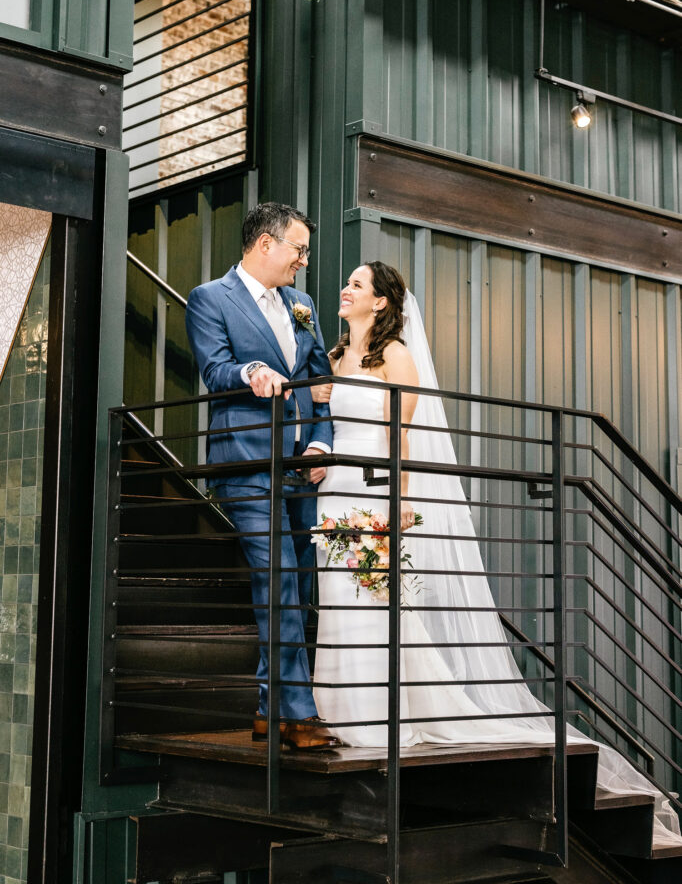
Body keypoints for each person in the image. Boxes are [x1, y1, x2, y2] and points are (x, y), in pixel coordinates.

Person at [311, 260, 680, 843]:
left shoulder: (397, 358)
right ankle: (336, 711)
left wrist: (400, 502)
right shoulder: (331, 362)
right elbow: (322, 423)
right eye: (347, 280)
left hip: (375, 491)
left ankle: (380, 715)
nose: (345, 288)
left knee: (373, 601)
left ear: (380, 303)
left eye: (355, 283)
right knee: (338, 601)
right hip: (332, 492)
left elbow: (402, 438)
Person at [185, 202, 338, 749]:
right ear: (265, 244)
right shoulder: (210, 298)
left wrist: (321, 441)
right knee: (277, 585)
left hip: (301, 467)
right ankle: (299, 714)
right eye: (298, 249)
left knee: (296, 584)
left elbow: (319, 378)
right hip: (248, 463)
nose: (303, 260)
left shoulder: (302, 303)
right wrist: (251, 370)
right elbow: (214, 368)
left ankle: (267, 708)